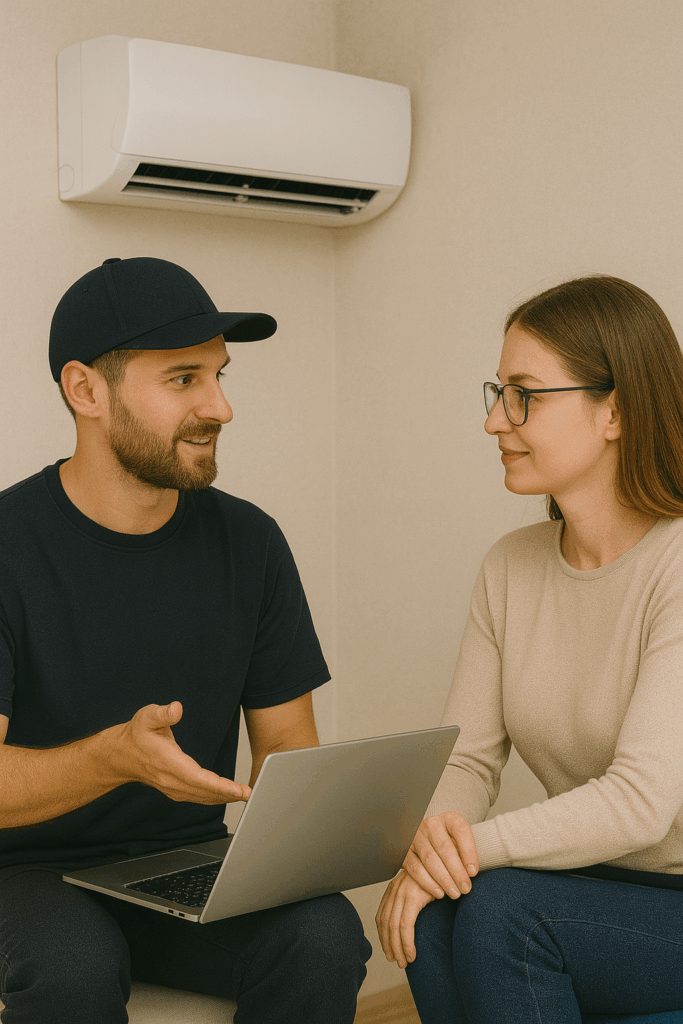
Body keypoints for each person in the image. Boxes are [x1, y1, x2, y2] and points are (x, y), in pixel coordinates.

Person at [0, 257, 371, 1024]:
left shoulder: (249, 542)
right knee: (74, 968)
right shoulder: (8, 546)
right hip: (22, 870)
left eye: (219, 375)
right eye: (183, 380)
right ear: (85, 391)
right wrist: (111, 760)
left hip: (187, 866)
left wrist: (334, 824)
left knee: (324, 935)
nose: (221, 407)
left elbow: (285, 749)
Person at [376, 275, 683, 1023]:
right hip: (587, 885)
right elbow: (467, 758)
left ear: (614, 409)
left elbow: (641, 805)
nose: (495, 422)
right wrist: (436, 848)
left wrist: (472, 851)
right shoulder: (510, 564)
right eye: (496, 392)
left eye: (524, 395)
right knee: (435, 910)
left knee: (501, 909)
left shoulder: (675, 564)